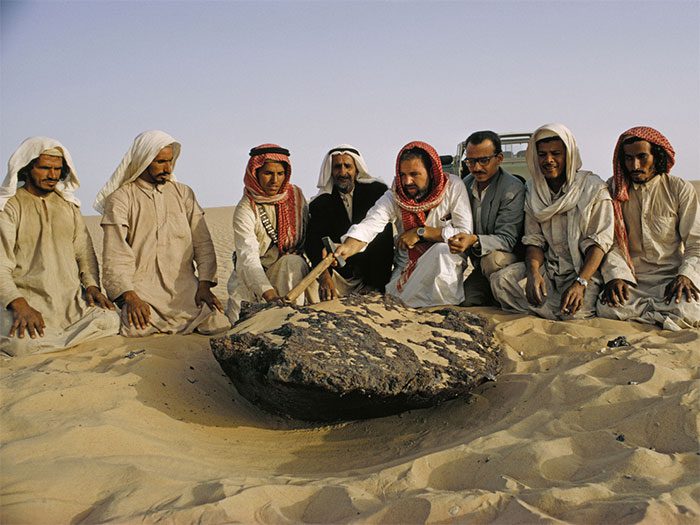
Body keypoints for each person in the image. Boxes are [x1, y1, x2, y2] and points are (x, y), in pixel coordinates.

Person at [95, 130, 229, 336]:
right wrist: (130, 297)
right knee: (135, 329)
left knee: (217, 323)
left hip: (185, 290)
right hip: (143, 291)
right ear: (143, 160)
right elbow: (116, 255)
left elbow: (202, 243)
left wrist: (204, 285)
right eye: (160, 162)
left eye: (170, 161)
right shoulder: (121, 198)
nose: (167, 168)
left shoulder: (183, 193)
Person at [0, 137, 119, 355]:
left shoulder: (68, 206)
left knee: (111, 320)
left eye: (57, 169)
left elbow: (84, 252)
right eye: (45, 168)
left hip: (70, 301)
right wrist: (18, 303)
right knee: (21, 344)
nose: (52, 175)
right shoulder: (10, 207)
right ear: (27, 169)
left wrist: (92, 286)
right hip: (28, 300)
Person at [491, 123, 614, 319]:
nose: (549, 160)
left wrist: (580, 283)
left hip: (584, 273)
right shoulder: (534, 190)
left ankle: (551, 311)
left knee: (574, 313)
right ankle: (548, 312)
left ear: (569, 155)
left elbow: (599, 243)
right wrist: (533, 274)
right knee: (501, 281)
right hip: (550, 270)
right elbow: (534, 240)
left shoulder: (593, 189)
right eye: (542, 155)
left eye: (556, 153)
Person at [334, 141, 473, 308]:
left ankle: (443, 309)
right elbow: (371, 224)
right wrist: (348, 247)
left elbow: (463, 234)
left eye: (414, 174)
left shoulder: (453, 187)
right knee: (398, 302)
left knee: (442, 251)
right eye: (402, 175)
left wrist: (421, 232)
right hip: (408, 267)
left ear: (431, 172)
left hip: (444, 263)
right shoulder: (395, 195)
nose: (407, 181)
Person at [597, 126, 700, 330]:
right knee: (607, 308)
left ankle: (653, 315)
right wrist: (616, 276)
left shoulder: (678, 189)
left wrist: (686, 275)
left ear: (657, 157)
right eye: (628, 158)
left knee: (691, 309)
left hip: (671, 279)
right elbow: (611, 243)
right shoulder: (614, 191)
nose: (635, 165)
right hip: (633, 281)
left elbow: (696, 243)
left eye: (642, 157)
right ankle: (658, 317)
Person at [226, 144, 313, 323]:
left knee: (293, 263)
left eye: (280, 174)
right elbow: (247, 257)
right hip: (251, 277)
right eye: (268, 173)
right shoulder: (246, 208)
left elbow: (308, 237)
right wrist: (271, 296)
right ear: (255, 173)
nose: (275, 180)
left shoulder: (295, 196)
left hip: (286, 271)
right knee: (241, 326)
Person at [447, 131, 526, 306]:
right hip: (480, 265)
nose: (476, 168)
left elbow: (507, 239)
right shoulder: (464, 185)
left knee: (492, 260)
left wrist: (474, 240)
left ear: (499, 158)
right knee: (467, 301)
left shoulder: (513, 188)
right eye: (471, 161)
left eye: (484, 160)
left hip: (508, 261)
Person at [306, 145, 393, 301]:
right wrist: (325, 278)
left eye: (348, 166)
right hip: (340, 275)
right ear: (330, 172)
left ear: (357, 170)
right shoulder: (319, 203)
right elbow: (314, 244)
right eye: (337, 167)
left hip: (374, 272)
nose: (343, 172)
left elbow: (384, 241)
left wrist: (375, 283)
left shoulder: (376, 192)